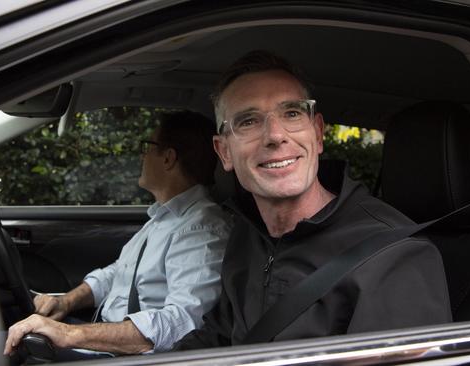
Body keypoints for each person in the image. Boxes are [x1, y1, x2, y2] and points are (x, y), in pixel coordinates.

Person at [174, 51, 452, 349]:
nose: (275, 135)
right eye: (248, 121)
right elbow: (218, 338)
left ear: (318, 134)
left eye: (292, 113)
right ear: (225, 152)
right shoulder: (247, 235)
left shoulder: (395, 257)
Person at [3, 111, 232, 358]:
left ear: (168, 158)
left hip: (130, 356)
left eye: (148, 146)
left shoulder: (201, 228)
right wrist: (65, 302)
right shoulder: (164, 219)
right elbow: (117, 273)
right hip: (112, 344)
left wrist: (70, 335)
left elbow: (184, 322)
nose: (142, 155)